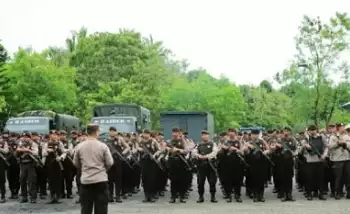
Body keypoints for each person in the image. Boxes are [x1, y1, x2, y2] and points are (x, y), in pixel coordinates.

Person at [73, 124, 114, 214]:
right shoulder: (103, 146)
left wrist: (84, 169)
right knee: (101, 209)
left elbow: (75, 163)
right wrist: (103, 169)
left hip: (86, 181)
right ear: (96, 132)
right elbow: (110, 162)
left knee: (86, 209)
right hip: (100, 181)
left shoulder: (79, 146)